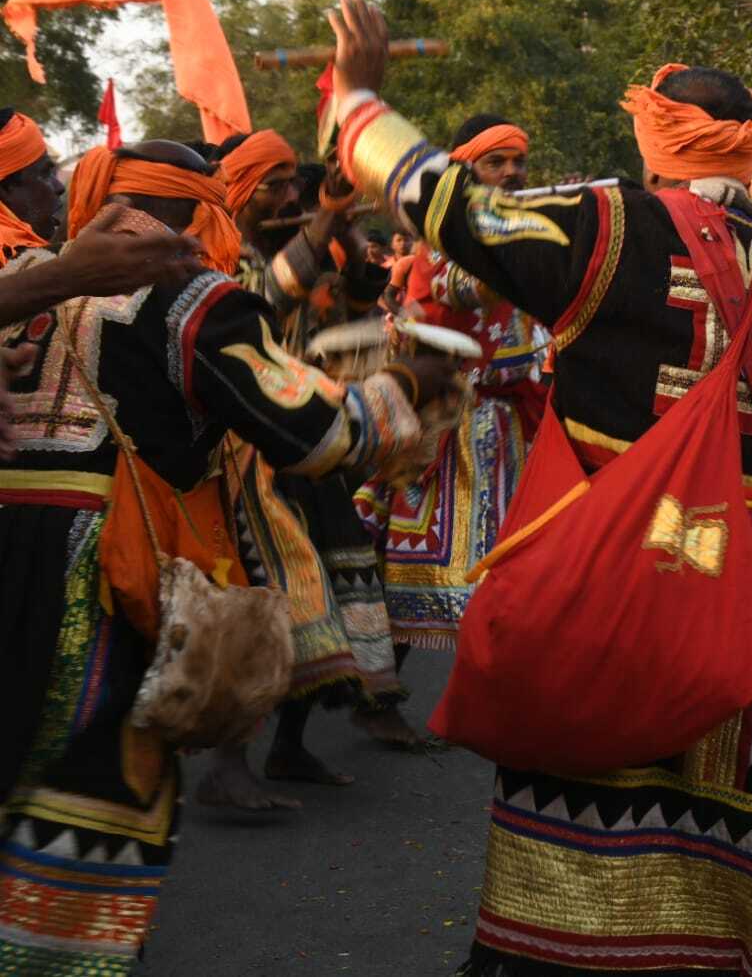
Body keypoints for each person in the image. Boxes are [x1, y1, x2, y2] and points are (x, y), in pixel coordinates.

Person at [329, 0, 752, 976]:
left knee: (592, 776)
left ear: (655, 138)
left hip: (628, 558)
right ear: (748, 154)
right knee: (746, 806)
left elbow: (452, 209)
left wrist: (360, 101)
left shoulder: (609, 223)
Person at [0, 138, 441, 977]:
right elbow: (317, 435)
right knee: (85, 809)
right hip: (99, 581)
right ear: (202, 209)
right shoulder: (192, 296)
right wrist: (407, 389)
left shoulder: (26, 280)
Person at [197, 129, 412, 811]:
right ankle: (227, 764)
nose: (290, 196)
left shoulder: (307, 253)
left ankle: (289, 745)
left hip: (303, 447)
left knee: (337, 596)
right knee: (255, 609)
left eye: (296, 184)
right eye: (275, 185)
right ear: (238, 191)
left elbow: (351, 321)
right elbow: (266, 303)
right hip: (232, 461)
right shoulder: (212, 256)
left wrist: (359, 269)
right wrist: (324, 223)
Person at [355, 114, 550, 651]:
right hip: (453, 424)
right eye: (496, 162)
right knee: (425, 572)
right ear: (467, 169)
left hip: (517, 424)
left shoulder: (523, 228)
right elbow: (465, 287)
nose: (511, 172)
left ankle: (496, 709)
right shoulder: (444, 239)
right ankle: (379, 693)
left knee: (516, 577)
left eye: (518, 162)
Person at [0, 109, 197, 325]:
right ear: (7, 187)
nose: (59, 188)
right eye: (45, 174)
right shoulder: (13, 257)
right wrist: (70, 274)